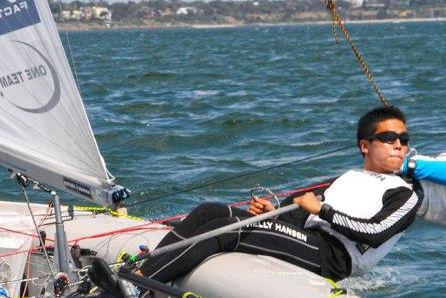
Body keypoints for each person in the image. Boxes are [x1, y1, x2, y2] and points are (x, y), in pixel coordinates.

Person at [135, 106, 422, 283]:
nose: (398, 145)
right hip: (308, 239)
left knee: (226, 230)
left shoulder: (404, 193)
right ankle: (144, 268)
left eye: (403, 140)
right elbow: (298, 209)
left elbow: (374, 232)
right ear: (365, 145)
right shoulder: (348, 178)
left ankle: (140, 284)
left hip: (332, 257)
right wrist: (273, 212)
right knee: (211, 210)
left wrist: (323, 211)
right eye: (388, 138)